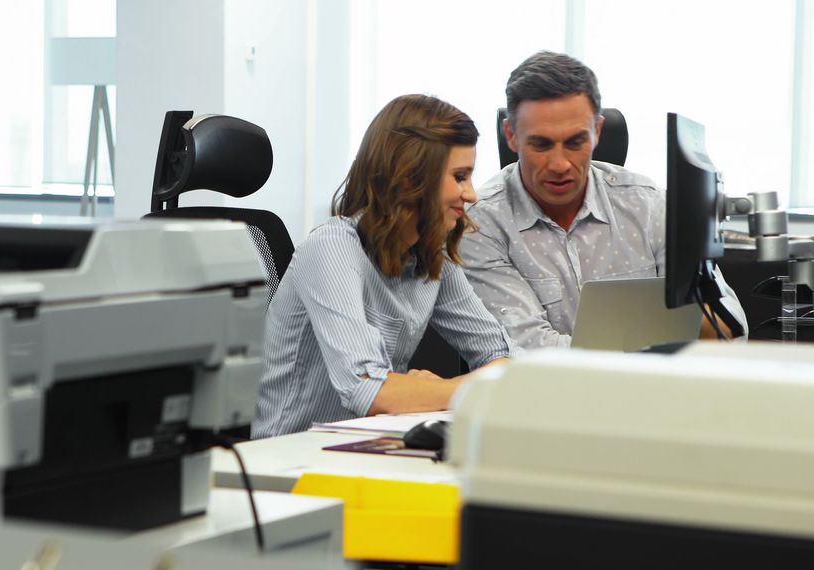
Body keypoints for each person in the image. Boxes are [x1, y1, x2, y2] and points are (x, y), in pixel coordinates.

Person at [251, 94, 514, 439]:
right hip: (287, 460)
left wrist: (428, 390)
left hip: (367, 445)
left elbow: (501, 358)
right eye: (460, 176)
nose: (472, 194)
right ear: (410, 180)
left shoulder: (432, 254)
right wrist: (466, 388)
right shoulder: (331, 249)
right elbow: (370, 391)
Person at [460, 51, 747, 350]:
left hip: (656, 388)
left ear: (597, 131)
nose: (559, 164)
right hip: (546, 392)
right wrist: (656, 336)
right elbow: (527, 348)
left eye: (575, 142)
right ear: (511, 135)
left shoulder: (647, 205)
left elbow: (731, 326)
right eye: (541, 144)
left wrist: (699, 312)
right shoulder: (479, 223)